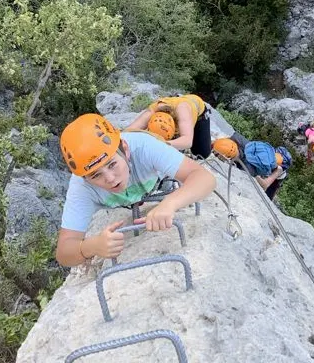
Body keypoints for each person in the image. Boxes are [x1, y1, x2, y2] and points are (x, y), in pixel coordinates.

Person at [55, 113, 216, 266]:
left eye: (112, 164)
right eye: (96, 175)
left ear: (125, 149)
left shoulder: (144, 146)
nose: (110, 178)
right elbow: (64, 252)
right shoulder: (82, 187)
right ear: (84, 179)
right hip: (143, 184)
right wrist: (91, 247)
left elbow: (204, 178)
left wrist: (170, 203)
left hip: (159, 179)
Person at [126, 94, 211, 158]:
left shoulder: (182, 110)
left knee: (201, 153)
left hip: (199, 113)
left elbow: (187, 141)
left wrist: (163, 144)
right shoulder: (152, 110)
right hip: (177, 104)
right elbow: (129, 131)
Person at [215, 134, 292, 200]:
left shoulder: (247, 167)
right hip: (273, 163)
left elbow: (264, 186)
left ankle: (279, 172)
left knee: (270, 192)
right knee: (271, 191)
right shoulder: (244, 143)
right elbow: (264, 185)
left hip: (277, 169)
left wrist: (257, 175)